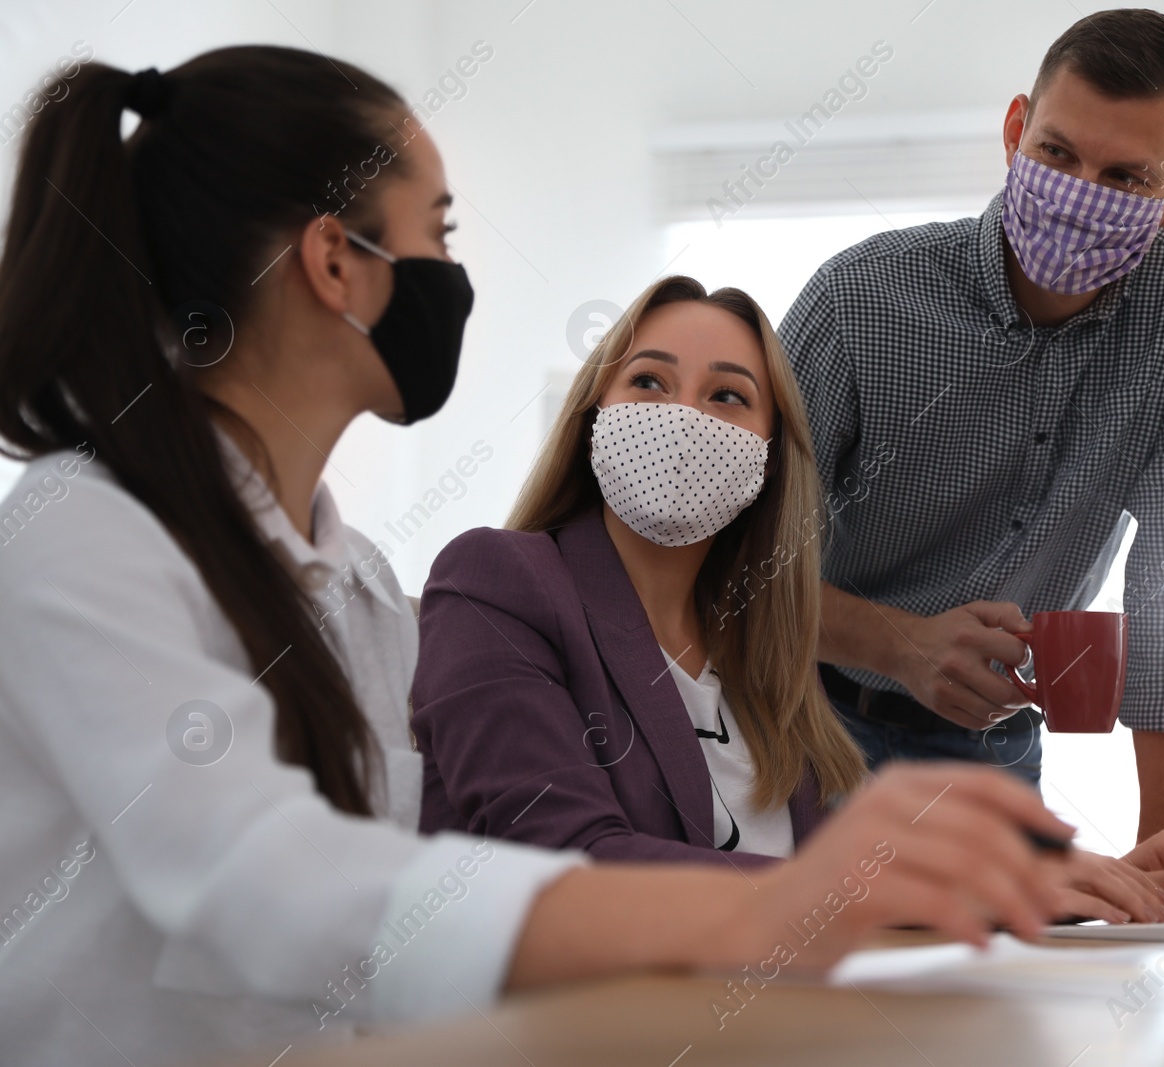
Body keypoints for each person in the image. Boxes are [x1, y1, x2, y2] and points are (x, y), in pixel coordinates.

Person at [0, 48, 1094, 1067]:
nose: (451, 272)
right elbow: (262, 882)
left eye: (729, 396)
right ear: (337, 259)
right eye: (436, 228)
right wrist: (778, 904)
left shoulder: (362, 585)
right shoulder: (79, 530)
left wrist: (991, 882)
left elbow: (424, 885)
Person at [411, 274, 1164, 924]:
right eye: (648, 381)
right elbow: (573, 866)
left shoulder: (763, 656)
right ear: (593, 413)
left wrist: (1096, 877)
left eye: (727, 395)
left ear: (772, 457)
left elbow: (857, 884)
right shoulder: (496, 582)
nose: (684, 417)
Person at [779, 9, 1164, 855]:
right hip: (804, 725)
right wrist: (901, 644)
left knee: (1005, 984)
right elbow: (731, 570)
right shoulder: (860, 299)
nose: (1079, 195)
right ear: (1013, 131)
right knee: (818, 982)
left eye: (1125, 178)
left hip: (994, 753)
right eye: (1058, 154)